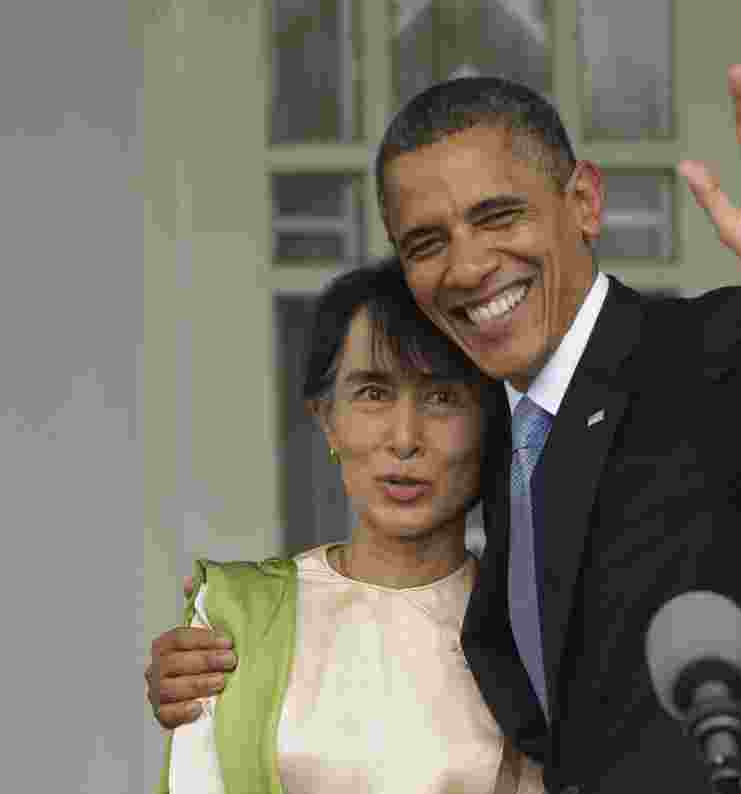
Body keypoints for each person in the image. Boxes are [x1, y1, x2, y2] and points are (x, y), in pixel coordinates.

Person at [147, 46, 741, 792]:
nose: (471, 266)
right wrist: (240, 662)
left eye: (498, 215)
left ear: (583, 200)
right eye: (426, 242)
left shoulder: (716, 351)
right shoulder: (508, 443)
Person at [155, 257, 546, 793]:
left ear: (489, 422)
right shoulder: (236, 617)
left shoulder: (533, 632)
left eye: (441, 396)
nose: (405, 437)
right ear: (326, 418)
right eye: (373, 393)